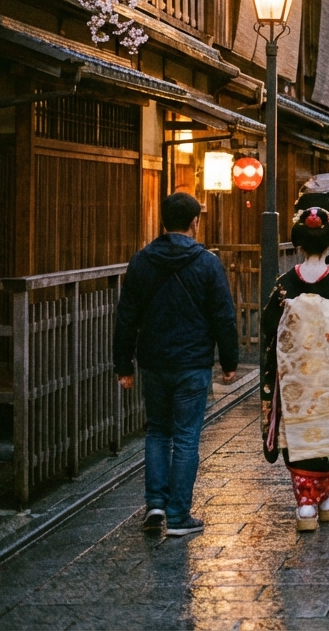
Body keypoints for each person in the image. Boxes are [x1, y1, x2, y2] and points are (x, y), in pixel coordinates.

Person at [113, 192, 237, 538]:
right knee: (185, 437)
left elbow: (126, 317)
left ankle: (154, 504)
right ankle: (179, 515)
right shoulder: (207, 263)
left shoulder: (141, 261)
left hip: (152, 360)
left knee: (157, 431)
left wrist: (123, 364)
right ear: (195, 221)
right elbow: (223, 317)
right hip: (193, 362)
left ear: (163, 222)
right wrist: (229, 362)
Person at [260, 207, 329, 532]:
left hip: (295, 380)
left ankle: (305, 503)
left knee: (297, 433)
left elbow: (267, 326)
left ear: (299, 244)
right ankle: (326, 500)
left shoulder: (285, 285)